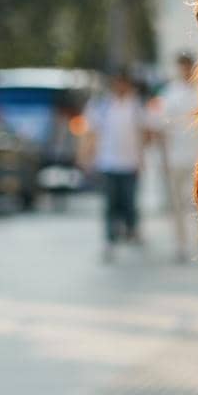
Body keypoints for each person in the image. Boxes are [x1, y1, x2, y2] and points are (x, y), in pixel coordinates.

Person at [85, 71, 150, 261]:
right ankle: (109, 238)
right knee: (110, 203)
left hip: (130, 163)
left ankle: (131, 229)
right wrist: (86, 156)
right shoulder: (102, 106)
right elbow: (92, 132)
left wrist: (142, 157)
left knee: (129, 201)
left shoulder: (135, 106)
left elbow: (143, 133)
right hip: (108, 162)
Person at [153, 52, 198, 260]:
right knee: (177, 205)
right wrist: (162, 157)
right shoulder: (168, 94)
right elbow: (161, 129)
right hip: (175, 157)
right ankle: (180, 244)